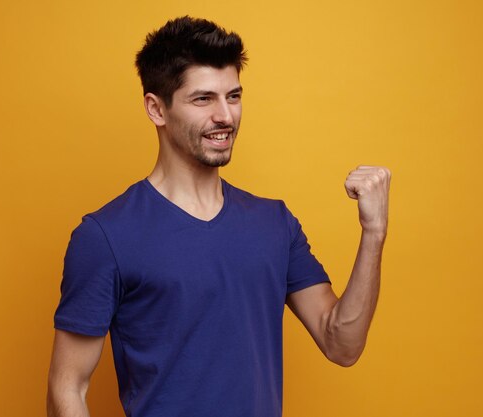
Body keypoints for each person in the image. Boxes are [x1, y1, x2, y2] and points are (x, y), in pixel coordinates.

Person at [47, 16, 390, 417]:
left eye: (234, 96)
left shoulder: (274, 223)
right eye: (203, 99)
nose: (225, 116)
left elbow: (342, 344)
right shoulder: (107, 236)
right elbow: (67, 387)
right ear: (156, 109)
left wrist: (374, 231)